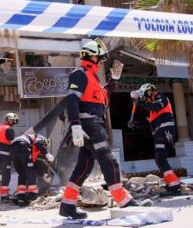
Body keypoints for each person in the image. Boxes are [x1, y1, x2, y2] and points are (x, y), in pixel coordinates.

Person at [59, 38, 148, 220]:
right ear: (91, 57)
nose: (101, 63)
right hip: (89, 124)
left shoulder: (92, 78)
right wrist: (75, 125)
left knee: (84, 166)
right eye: (100, 58)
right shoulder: (80, 74)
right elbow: (71, 99)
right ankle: (122, 199)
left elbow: (103, 96)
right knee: (109, 160)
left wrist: (114, 80)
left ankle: (67, 205)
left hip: (94, 123)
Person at [130, 83, 181, 196]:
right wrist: (135, 124)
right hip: (161, 134)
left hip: (165, 132)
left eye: (145, 95)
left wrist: (140, 104)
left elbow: (157, 106)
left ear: (150, 91)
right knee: (159, 159)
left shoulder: (160, 96)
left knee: (160, 159)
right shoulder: (152, 110)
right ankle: (172, 183)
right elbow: (147, 121)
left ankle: (174, 186)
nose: (146, 98)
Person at [10, 133, 54, 206]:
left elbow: (33, 166)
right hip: (22, 146)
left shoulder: (31, 149)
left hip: (12, 149)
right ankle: (33, 197)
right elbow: (39, 143)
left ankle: (21, 199)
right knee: (31, 173)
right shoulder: (40, 138)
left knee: (22, 173)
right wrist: (47, 154)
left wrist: (43, 175)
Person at [0, 112, 19, 203]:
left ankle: (4, 195)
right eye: (13, 121)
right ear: (8, 120)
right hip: (5, 156)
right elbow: (13, 144)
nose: (13, 123)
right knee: (6, 176)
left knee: (4, 174)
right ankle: (4, 196)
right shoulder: (9, 129)